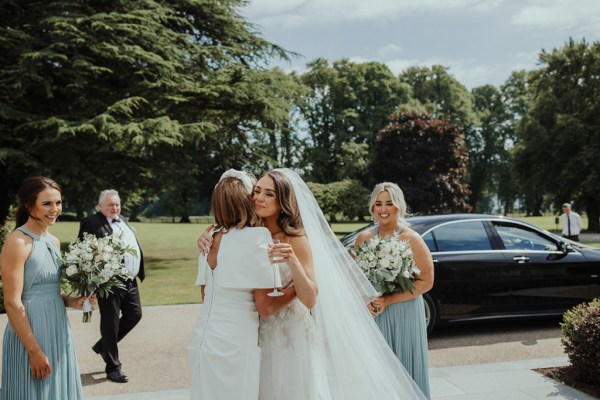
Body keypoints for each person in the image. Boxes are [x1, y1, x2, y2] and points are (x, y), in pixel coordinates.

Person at [199, 169, 427, 400]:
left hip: (290, 332)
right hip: (256, 334)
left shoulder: (296, 239)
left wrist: (293, 262)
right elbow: (221, 244)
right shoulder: (248, 233)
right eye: (257, 191)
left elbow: (310, 298)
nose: (259, 198)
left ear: (282, 201)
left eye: (269, 194)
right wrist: (206, 235)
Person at [188, 169, 276, 400]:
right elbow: (264, 305)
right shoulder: (258, 237)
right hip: (237, 338)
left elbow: (205, 294)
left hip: (203, 336)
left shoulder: (208, 239)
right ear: (246, 202)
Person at [1, 177, 89, 399]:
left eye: (58, 203)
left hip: (58, 328)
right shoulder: (18, 242)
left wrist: (71, 300)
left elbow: (49, 288)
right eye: (47, 204)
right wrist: (34, 350)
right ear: (29, 205)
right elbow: (12, 302)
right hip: (30, 332)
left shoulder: (53, 241)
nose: (55, 209)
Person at [354, 182, 434, 399]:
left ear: (399, 206)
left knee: (404, 366)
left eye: (389, 203)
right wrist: (365, 300)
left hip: (404, 312)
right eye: (378, 203)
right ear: (372, 208)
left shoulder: (411, 239)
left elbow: (426, 281)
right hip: (374, 314)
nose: (383, 208)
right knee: (377, 371)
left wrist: (389, 300)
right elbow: (354, 279)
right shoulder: (363, 239)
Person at [78, 189, 145, 383]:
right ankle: (113, 367)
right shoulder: (92, 222)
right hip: (108, 282)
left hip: (129, 280)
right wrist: (90, 285)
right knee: (110, 323)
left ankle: (103, 346)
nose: (114, 208)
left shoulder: (122, 219)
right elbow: (85, 253)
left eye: (117, 204)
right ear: (100, 207)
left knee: (135, 315)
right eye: (110, 205)